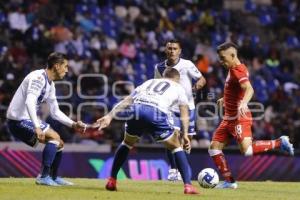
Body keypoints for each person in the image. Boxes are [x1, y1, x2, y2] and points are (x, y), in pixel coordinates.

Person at [95, 68, 199, 195]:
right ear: (178, 79)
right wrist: (186, 134)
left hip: (136, 110)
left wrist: (110, 116)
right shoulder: (178, 87)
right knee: (176, 147)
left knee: (127, 143)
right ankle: (188, 186)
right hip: (155, 112)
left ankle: (112, 180)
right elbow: (184, 112)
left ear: (163, 77)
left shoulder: (148, 82)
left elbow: (128, 100)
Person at [209, 42, 294, 189]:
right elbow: (236, 89)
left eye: (223, 58)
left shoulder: (237, 71)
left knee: (247, 151)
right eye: (220, 58)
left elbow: (249, 89)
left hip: (239, 118)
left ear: (233, 55)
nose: (221, 62)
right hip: (228, 118)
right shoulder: (234, 68)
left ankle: (279, 143)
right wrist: (226, 98)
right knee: (214, 148)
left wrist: (243, 103)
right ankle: (229, 181)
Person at [6, 52, 87, 186]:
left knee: (59, 143)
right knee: (54, 137)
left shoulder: (50, 85)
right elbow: (30, 102)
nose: (67, 70)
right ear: (56, 66)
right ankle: (43, 177)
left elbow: (55, 111)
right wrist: (37, 126)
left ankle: (53, 177)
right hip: (17, 121)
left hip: (26, 119)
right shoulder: (38, 78)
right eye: (65, 66)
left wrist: (73, 124)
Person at [154, 39, 206, 181]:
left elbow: (202, 80)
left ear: (180, 51)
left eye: (175, 48)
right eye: (169, 48)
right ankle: (173, 170)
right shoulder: (159, 68)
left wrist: (194, 89)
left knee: (187, 140)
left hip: (188, 107)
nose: (172, 51)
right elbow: (157, 85)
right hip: (170, 108)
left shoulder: (187, 65)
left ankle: (182, 169)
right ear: (166, 50)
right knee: (172, 137)